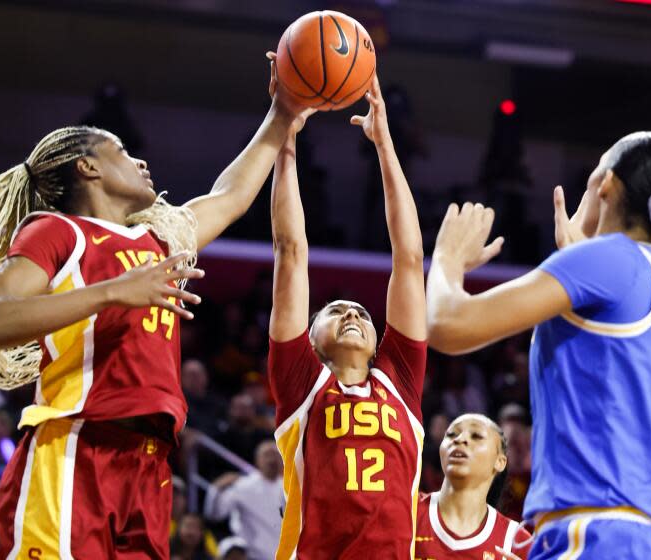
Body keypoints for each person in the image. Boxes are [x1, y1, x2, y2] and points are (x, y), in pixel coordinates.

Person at [0, 55, 306, 558]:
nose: (141, 161)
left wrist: (282, 110)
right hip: (77, 448)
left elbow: (229, 196)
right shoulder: (57, 232)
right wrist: (112, 291)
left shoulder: (157, 241)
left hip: (149, 464)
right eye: (122, 151)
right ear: (89, 166)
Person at [426, 131, 651, 558]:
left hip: (594, 534)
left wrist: (446, 258)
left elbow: (447, 325)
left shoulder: (609, 260)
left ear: (605, 185)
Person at [268, 74, 428, 558]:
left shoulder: (399, 379)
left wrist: (385, 145)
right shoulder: (300, 382)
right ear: (310, 340)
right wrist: (285, 143)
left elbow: (409, 258)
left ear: (381, 342)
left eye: (359, 311)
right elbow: (291, 250)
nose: (352, 313)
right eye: (334, 311)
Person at [415, 414, 531, 560]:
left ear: (500, 462)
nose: (459, 439)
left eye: (476, 436)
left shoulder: (517, 543)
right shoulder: (408, 510)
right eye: (451, 434)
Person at [203, 440, 284, 560]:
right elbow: (215, 514)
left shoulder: (289, 487)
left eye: (276, 455)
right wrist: (215, 489)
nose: (271, 459)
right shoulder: (243, 485)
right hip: (251, 555)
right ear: (257, 460)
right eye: (267, 455)